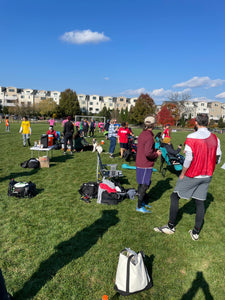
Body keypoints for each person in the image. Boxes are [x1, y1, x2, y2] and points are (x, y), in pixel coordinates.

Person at [154, 114, 222, 240]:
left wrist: (183, 173)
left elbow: (189, 159)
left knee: (175, 196)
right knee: (200, 202)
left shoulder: (192, 137)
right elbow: (218, 159)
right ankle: (195, 232)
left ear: (196, 122)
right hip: (207, 175)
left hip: (193, 173)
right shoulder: (215, 138)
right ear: (207, 122)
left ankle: (170, 226)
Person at [136, 116, 161, 213]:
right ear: (153, 125)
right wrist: (157, 154)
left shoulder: (142, 134)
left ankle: (142, 203)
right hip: (145, 164)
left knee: (142, 183)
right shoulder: (149, 137)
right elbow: (148, 153)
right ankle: (139, 206)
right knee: (145, 185)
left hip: (139, 162)